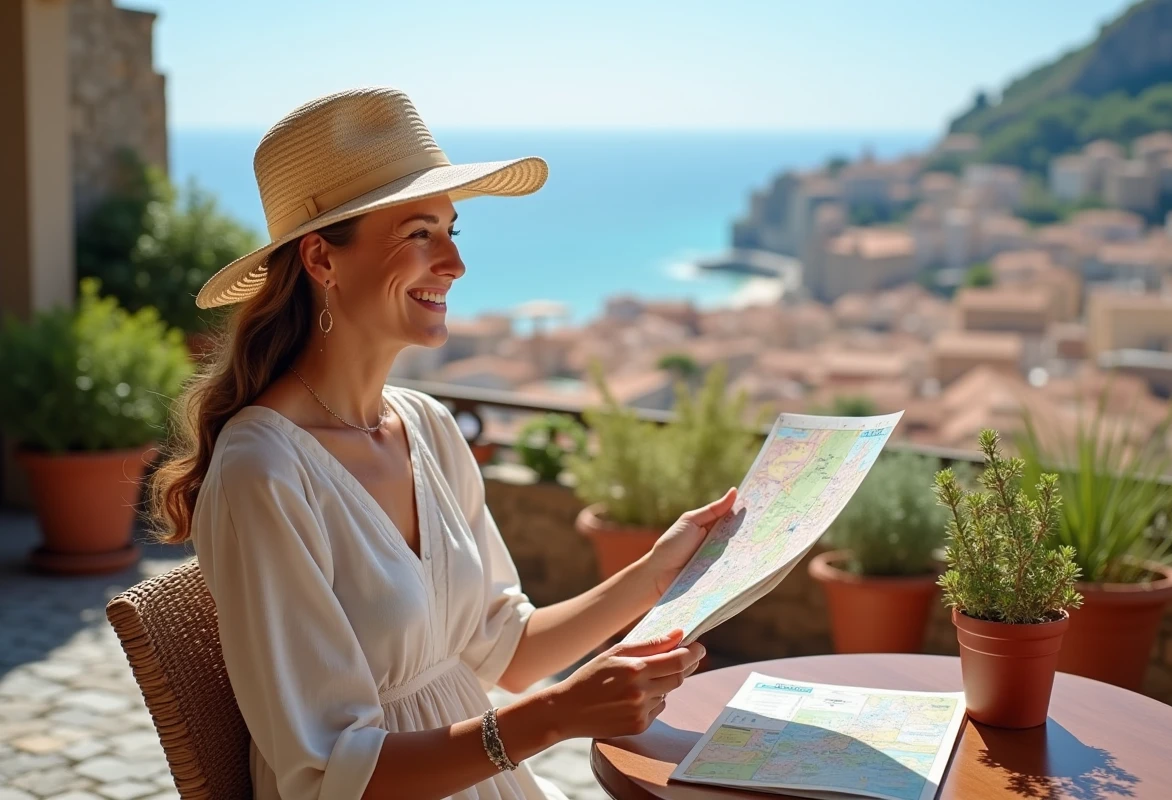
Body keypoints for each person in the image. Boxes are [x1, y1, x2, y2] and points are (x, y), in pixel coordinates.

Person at [148, 87, 737, 800]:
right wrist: (554, 716)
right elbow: (327, 774)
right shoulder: (263, 474)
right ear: (321, 260)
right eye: (420, 233)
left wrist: (656, 572)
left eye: (454, 230)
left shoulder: (426, 426)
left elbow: (507, 650)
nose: (455, 262)